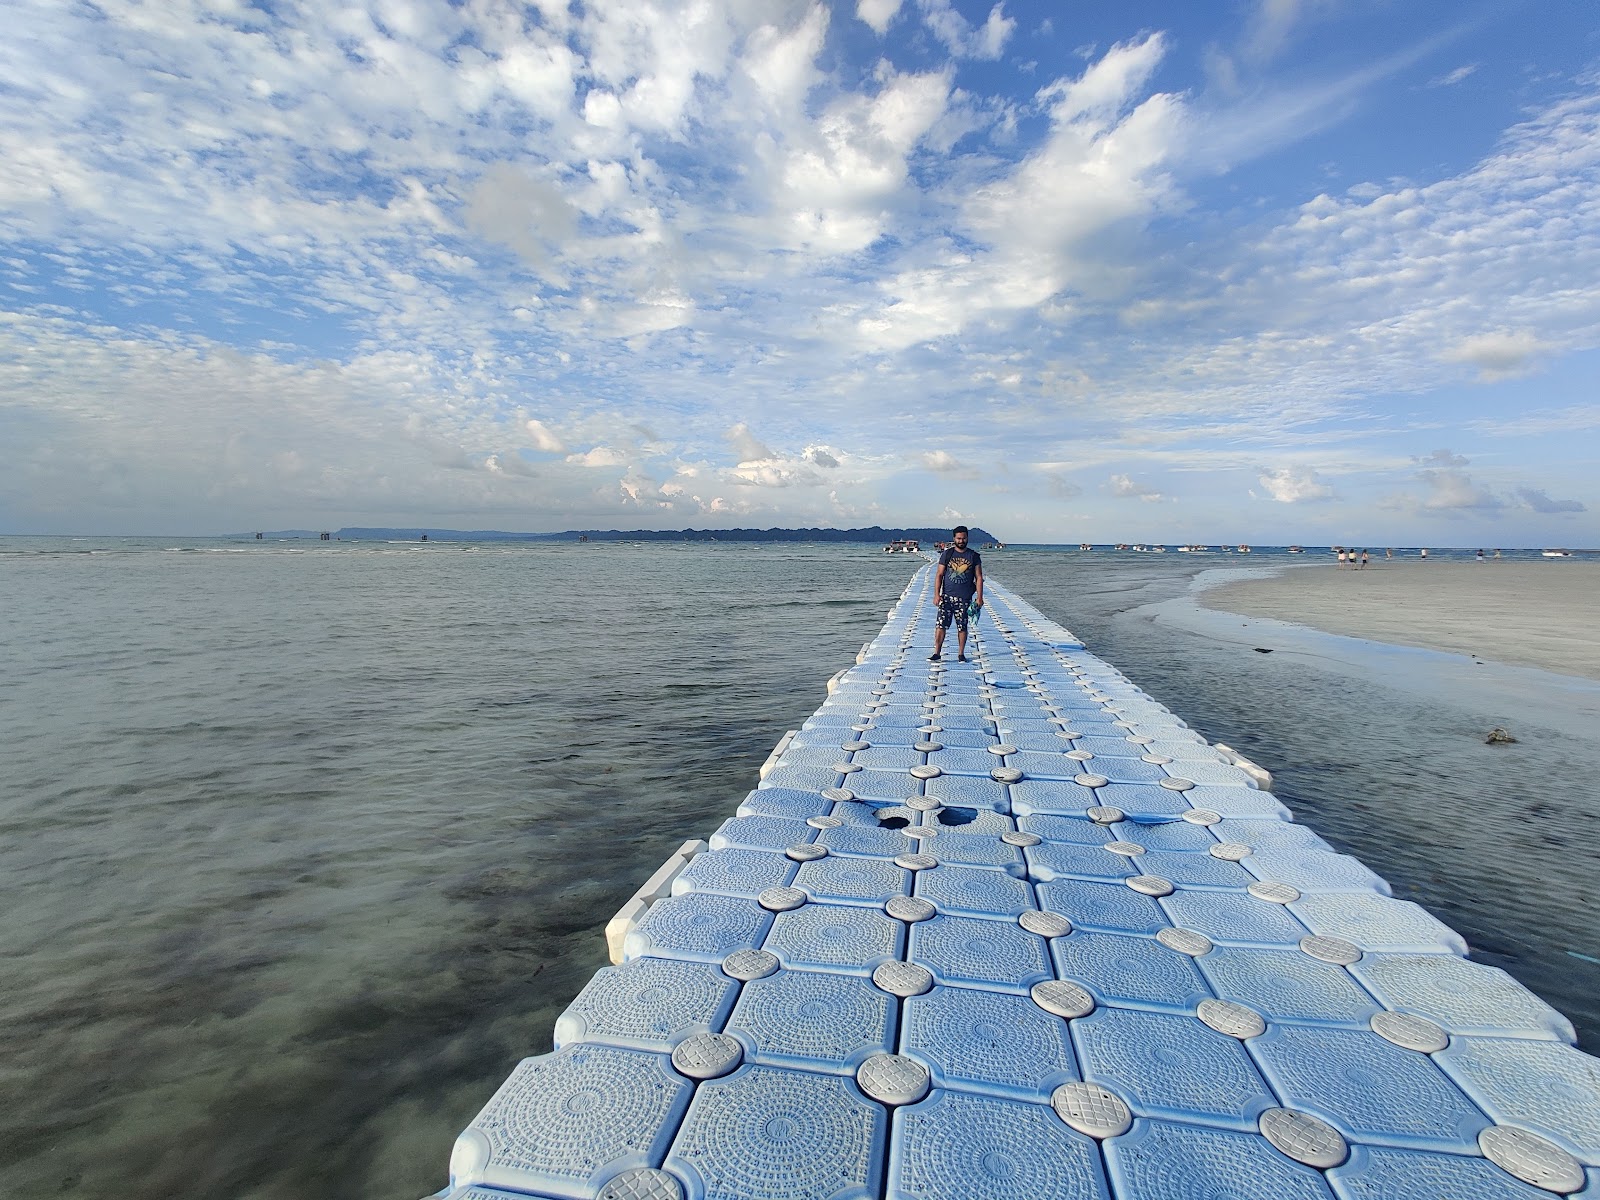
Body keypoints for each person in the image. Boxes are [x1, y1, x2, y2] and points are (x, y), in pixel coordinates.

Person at [931, 526, 983, 662]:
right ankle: (937, 653)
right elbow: (939, 574)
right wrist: (936, 594)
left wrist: (979, 597)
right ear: (954, 538)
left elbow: (979, 577)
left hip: (964, 598)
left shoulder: (974, 556)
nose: (961, 541)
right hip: (946, 597)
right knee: (940, 625)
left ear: (967, 538)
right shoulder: (947, 554)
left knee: (962, 627)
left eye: (964, 538)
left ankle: (961, 654)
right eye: (959, 538)